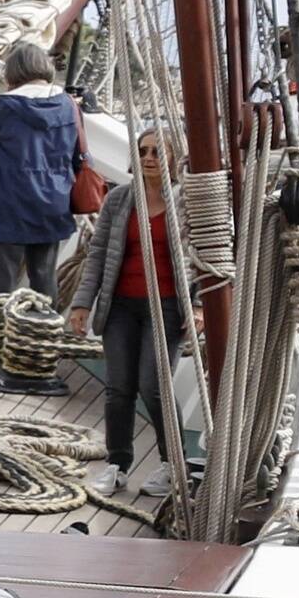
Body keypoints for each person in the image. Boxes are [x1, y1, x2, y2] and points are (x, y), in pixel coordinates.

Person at [0, 40, 84, 390]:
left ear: (14, 72)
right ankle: (41, 350)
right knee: (44, 281)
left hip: (10, 205)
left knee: (1, 282)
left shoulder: (8, 106)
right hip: (52, 204)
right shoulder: (67, 105)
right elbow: (77, 153)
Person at [96, 123, 182, 502]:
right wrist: (83, 304)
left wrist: (195, 306)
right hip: (120, 307)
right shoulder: (118, 200)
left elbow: (203, 261)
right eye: (143, 151)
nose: (148, 158)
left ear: (174, 159)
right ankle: (117, 466)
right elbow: (98, 254)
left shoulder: (187, 204)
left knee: (154, 386)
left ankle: (171, 465)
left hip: (165, 308)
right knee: (118, 389)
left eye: (156, 152)